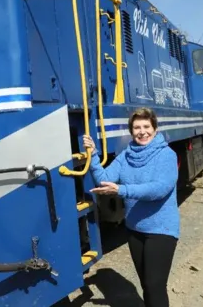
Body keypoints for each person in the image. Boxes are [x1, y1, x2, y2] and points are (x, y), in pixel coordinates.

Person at [83, 107, 180, 307]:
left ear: (154, 128)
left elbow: (159, 189)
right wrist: (93, 155)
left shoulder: (166, 155)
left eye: (146, 126)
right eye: (136, 127)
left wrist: (122, 190)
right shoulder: (126, 155)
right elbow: (105, 179)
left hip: (161, 230)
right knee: (146, 285)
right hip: (135, 230)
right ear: (131, 130)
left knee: (155, 286)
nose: (141, 131)